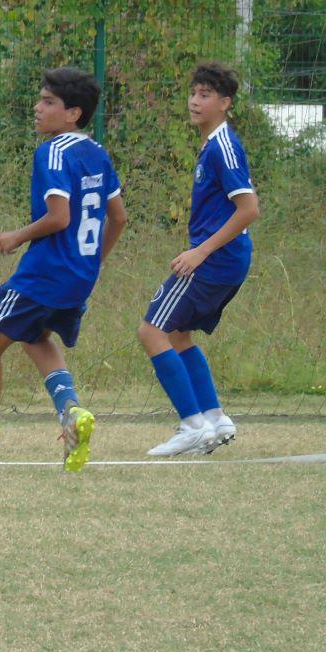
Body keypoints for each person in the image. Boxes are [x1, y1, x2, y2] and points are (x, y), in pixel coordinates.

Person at [0, 67, 127, 472]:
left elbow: (59, 216)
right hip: (77, 277)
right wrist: (92, 263)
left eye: (48, 102)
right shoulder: (97, 153)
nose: (37, 108)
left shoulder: (53, 152)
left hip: (46, 273)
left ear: (73, 113)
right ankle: (71, 411)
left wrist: (17, 236)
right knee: (34, 336)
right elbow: (119, 218)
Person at [138, 62, 259, 457]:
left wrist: (199, 251)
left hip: (217, 259)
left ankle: (191, 425)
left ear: (225, 103)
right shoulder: (212, 143)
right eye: (193, 92)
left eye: (205, 95)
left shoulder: (223, 146)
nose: (194, 100)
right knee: (177, 334)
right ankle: (215, 417)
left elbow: (248, 209)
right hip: (226, 259)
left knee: (152, 331)